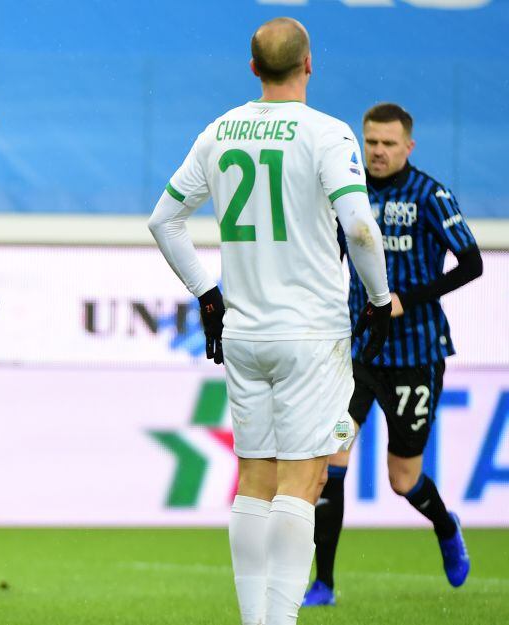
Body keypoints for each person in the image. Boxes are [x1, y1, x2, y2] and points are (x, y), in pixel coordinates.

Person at [147, 17, 392, 625]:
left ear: (253, 68)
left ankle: (256, 621)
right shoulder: (328, 134)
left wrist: (208, 296)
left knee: (253, 480)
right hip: (310, 333)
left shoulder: (221, 130)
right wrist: (381, 299)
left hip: (245, 332)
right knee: (302, 483)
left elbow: (164, 221)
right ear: (310, 65)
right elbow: (360, 228)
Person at [302, 103, 480, 607]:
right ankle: (325, 583)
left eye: (387, 143)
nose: (377, 152)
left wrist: (409, 299)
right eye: (371, 142)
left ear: (408, 146)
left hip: (414, 358)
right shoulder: (346, 195)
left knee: (403, 480)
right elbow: (332, 255)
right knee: (329, 464)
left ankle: (445, 525)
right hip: (357, 359)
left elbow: (472, 264)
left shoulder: (430, 194)